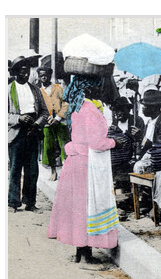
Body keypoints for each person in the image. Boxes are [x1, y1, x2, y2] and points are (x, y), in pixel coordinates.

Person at [48, 74, 123, 264]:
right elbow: (97, 143)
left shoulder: (76, 107)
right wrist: (116, 142)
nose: (100, 91)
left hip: (74, 162)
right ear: (89, 89)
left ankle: (80, 252)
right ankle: (87, 254)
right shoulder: (90, 110)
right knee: (87, 207)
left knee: (77, 208)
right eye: (98, 88)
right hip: (85, 165)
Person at [8, 56, 49, 213]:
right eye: (22, 71)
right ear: (16, 72)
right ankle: (13, 203)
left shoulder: (35, 90)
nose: (26, 75)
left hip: (32, 131)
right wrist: (18, 118)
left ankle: (30, 203)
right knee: (15, 169)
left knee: (32, 169)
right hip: (16, 132)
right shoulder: (7, 90)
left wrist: (38, 123)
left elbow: (45, 111)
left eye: (28, 71)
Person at [107, 96, 145, 211]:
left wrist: (138, 135)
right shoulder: (115, 123)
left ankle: (133, 199)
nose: (119, 113)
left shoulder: (136, 120)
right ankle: (121, 199)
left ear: (128, 110)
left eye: (122, 110)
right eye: (116, 110)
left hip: (134, 154)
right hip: (120, 157)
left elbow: (143, 140)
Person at [36, 66, 70, 181]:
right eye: (41, 75)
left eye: (46, 75)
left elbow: (66, 103)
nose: (43, 77)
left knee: (64, 145)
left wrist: (59, 117)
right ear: (39, 77)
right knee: (49, 147)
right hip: (47, 123)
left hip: (60, 122)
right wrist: (46, 118)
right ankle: (53, 171)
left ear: (50, 75)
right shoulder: (38, 91)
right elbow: (37, 108)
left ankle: (67, 170)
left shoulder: (58, 88)